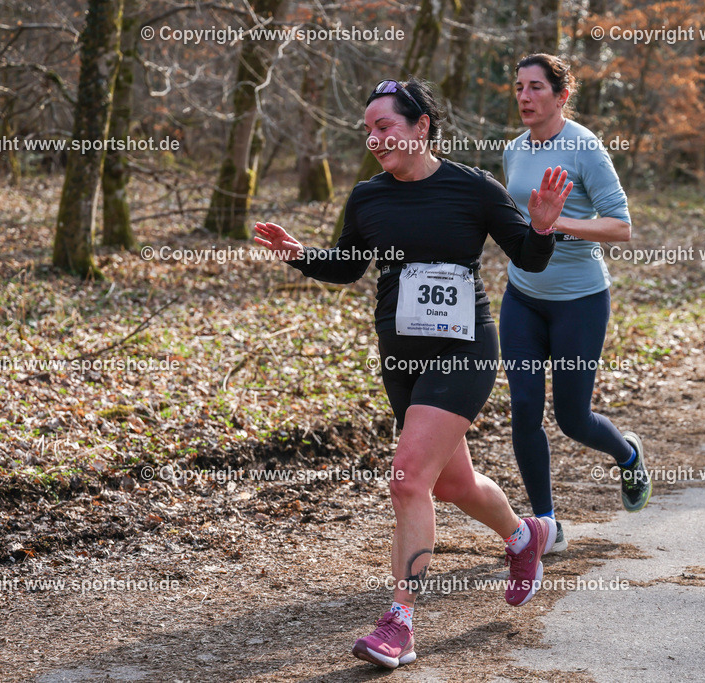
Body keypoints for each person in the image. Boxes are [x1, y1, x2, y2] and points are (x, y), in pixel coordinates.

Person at [253, 78, 572, 669]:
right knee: (452, 485)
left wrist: (544, 227)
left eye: (386, 126)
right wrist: (300, 254)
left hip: (464, 350)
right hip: (400, 358)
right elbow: (349, 267)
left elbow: (527, 258)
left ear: (421, 125)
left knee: (406, 481)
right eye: (369, 130)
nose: (375, 139)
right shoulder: (368, 197)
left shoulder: (475, 189)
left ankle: (399, 621)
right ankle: (523, 537)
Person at [498, 54, 651, 556]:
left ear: (561, 96)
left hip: (579, 300)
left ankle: (628, 455)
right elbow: (519, 221)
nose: (524, 96)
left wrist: (555, 224)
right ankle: (546, 522)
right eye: (519, 86)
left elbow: (621, 226)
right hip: (522, 294)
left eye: (536, 87)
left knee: (571, 417)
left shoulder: (584, 148)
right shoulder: (514, 151)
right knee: (523, 408)